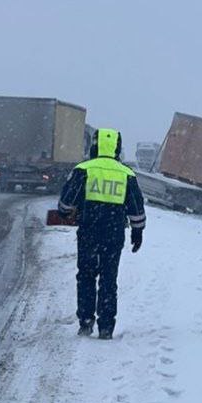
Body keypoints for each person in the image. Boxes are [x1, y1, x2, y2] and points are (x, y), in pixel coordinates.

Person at [58, 128, 146, 339]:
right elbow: (136, 207)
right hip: (114, 235)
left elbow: (66, 202)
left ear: (94, 146)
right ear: (117, 148)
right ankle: (106, 327)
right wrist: (137, 232)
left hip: (89, 232)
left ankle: (86, 322)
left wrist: (65, 213)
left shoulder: (83, 169)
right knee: (108, 279)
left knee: (86, 276)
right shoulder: (127, 174)